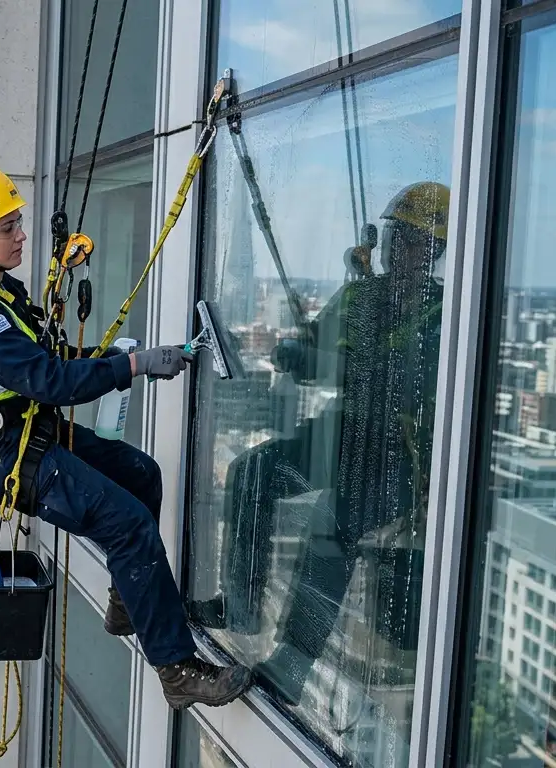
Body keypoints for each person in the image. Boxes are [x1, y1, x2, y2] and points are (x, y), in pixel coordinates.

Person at [0, 163, 252, 709]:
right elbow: (48, 380)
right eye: (7, 228)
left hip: (29, 436)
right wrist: (136, 366)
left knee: (143, 473)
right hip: (4, 459)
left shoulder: (0, 293)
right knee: (129, 525)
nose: (21, 234)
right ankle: (178, 670)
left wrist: (117, 358)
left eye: (17, 222)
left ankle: (129, 599)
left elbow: (48, 359)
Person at [189, 182, 449, 706]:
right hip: (343, 429)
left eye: (412, 241)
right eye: (396, 236)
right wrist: (293, 352)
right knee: (250, 472)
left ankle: (294, 661)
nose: (399, 248)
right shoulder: (363, 295)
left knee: (335, 523)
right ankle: (240, 604)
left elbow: (399, 382)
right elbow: (317, 349)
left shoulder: (440, 315)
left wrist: (320, 362)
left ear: (433, 252)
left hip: (399, 453)